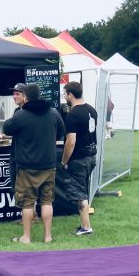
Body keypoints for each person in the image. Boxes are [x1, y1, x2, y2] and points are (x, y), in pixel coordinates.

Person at [3, 82, 65, 244]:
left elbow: (7, 128)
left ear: (26, 96)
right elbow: (61, 131)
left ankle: (26, 237)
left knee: (27, 203)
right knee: (47, 201)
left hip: (27, 167)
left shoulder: (21, 115)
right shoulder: (53, 113)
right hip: (49, 165)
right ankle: (48, 236)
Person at [59, 81, 97, 237]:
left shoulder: (73, 114)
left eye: (64, 93)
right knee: (84, 190)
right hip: (91, 156)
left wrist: (64, 161)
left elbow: (71, 142)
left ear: (70, 95)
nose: (64, 96)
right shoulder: (92, 110)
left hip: (79, 159)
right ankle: (83, 224)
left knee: (79, 193)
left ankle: (86, 227)